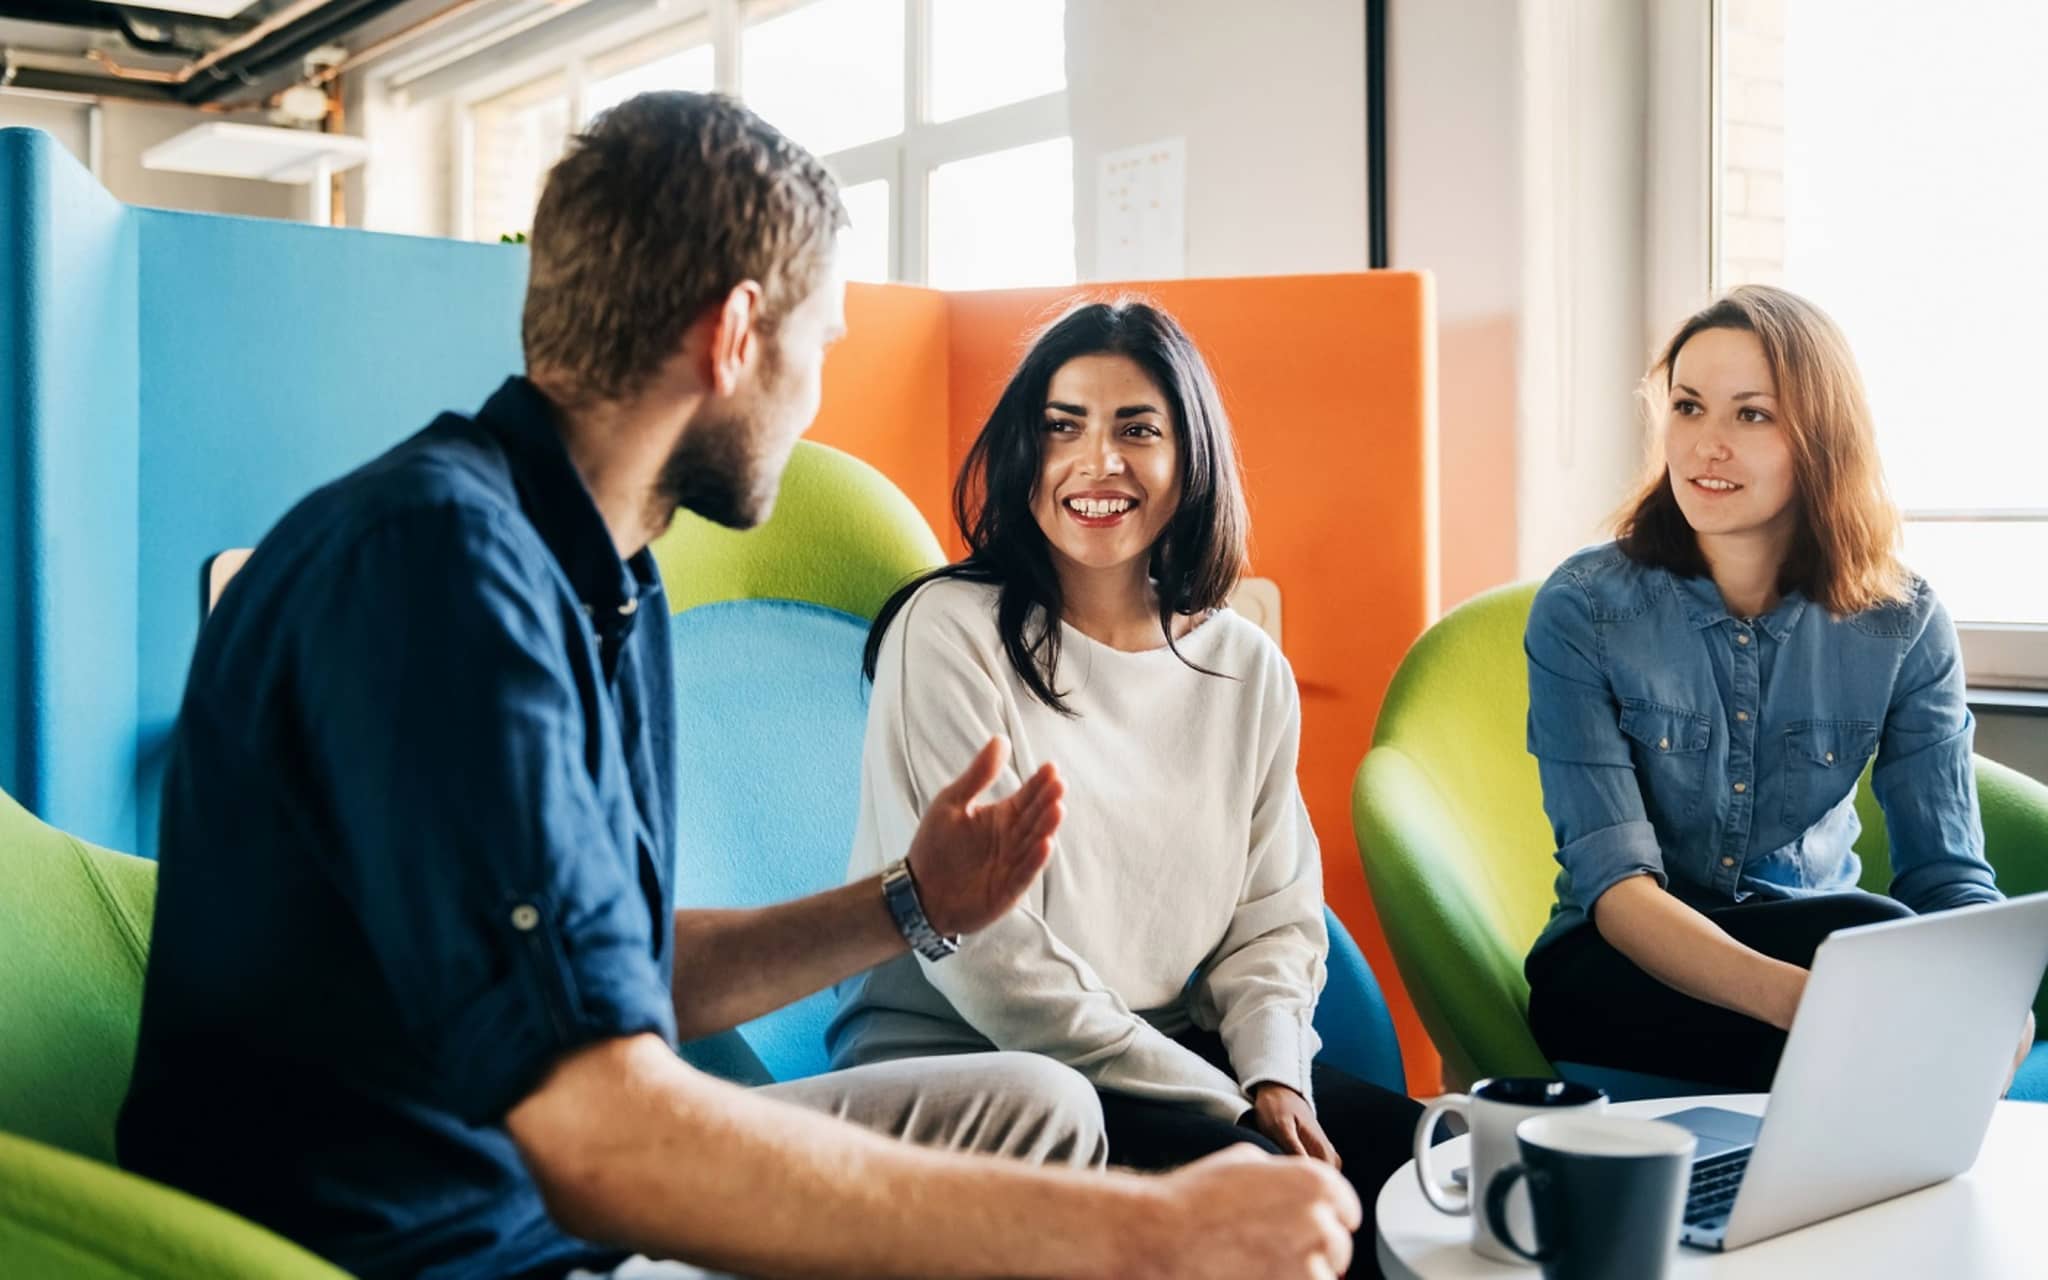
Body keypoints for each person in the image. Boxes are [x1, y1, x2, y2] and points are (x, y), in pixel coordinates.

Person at [117, 94, 1360, 1280]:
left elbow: (616, 977)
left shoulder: (600, 578)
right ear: (732, 334)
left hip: (535, 1176)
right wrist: (1140, 1234)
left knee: (1032, 1107)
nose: (817, 388)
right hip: (444, 1238)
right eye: (817, 344)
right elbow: (601, 1135)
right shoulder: (438, 575)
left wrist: (909, 903)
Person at [828, 299, 1422, 1276]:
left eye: (1134, 428)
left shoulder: (1242, 665)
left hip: (1164, 1052)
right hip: (977, 1063)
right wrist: (1224, 1102)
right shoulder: (944, 632)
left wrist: (1274, 1074)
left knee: (1436, 1171)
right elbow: (989, 961)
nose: (1094, 462)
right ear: (1023, 450)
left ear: (1191, 459)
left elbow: (1271, 922)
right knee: (1289, 1218)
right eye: (1061, 426)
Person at [1521, 284, 2035, 1093]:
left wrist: (1996, 997)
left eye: (1749, 415)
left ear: (1822, 439)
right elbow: (1617, 892)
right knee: (1870, 943)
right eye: (1688, 408)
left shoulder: (1902, 622)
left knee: (1880, 940)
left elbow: (1947, 874)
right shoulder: (1584, 608)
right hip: (1623, 971)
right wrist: (1813, 1006)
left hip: (1821, 944)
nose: (1704, 446)